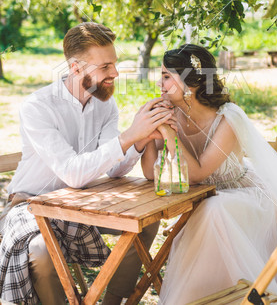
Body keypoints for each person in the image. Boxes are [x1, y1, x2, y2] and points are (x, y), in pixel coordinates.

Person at [0, 22, 174, 305]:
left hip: (81, 202)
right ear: (76, 68)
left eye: (114, 64)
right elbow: (73, 173)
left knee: (144, 223)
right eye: (105, 67)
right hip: (31, 203)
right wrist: (129, 135)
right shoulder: (37, 107)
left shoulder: (105, 105)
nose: (115, 73)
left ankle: (112, 302)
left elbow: (114, 169)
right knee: (41, 250)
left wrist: (139, 140)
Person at [141, 44, 277, 304]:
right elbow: (150, 173)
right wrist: (150, 130)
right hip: (205, 201)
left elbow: (199, 172)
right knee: (208, 209)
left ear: (189, 85)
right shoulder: (174, 113)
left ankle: (231, 297)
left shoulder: (228, 118)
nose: (159, 83)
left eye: (166, 76)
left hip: (242, 197)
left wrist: (169, 133)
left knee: (213, 210)